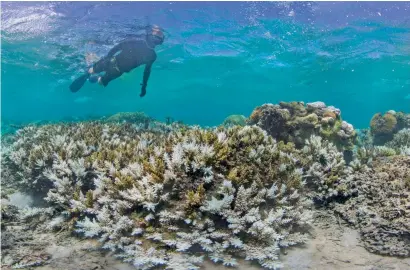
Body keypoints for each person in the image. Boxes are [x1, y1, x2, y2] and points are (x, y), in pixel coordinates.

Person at [69, 25, 164, 97]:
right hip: (111, 61)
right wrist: (107, 58)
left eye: (159, 36)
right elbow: (117, 47)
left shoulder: (152, 56)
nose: (157, 37)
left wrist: (144, 86)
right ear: (149, 35)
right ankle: (89, 72)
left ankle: (94, 77)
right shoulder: (137, 42)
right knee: (91, 70)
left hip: (117, 71)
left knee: (100, 83)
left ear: (160, 42)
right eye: (156, 34)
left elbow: (147, 71)